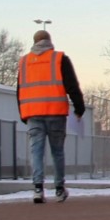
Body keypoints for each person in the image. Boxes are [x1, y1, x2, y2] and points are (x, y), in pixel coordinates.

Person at [18, 29, 86, 204]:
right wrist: (79, 108)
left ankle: (38, 189)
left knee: (36, 152)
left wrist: (23, 114)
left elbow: (19, 90)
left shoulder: (24, 62)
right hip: (55, 112)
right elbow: (72, 85)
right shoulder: (59, 59)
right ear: (49, 41)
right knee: (57, 152)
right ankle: (59, 189)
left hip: (33, 113)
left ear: (34, 42)